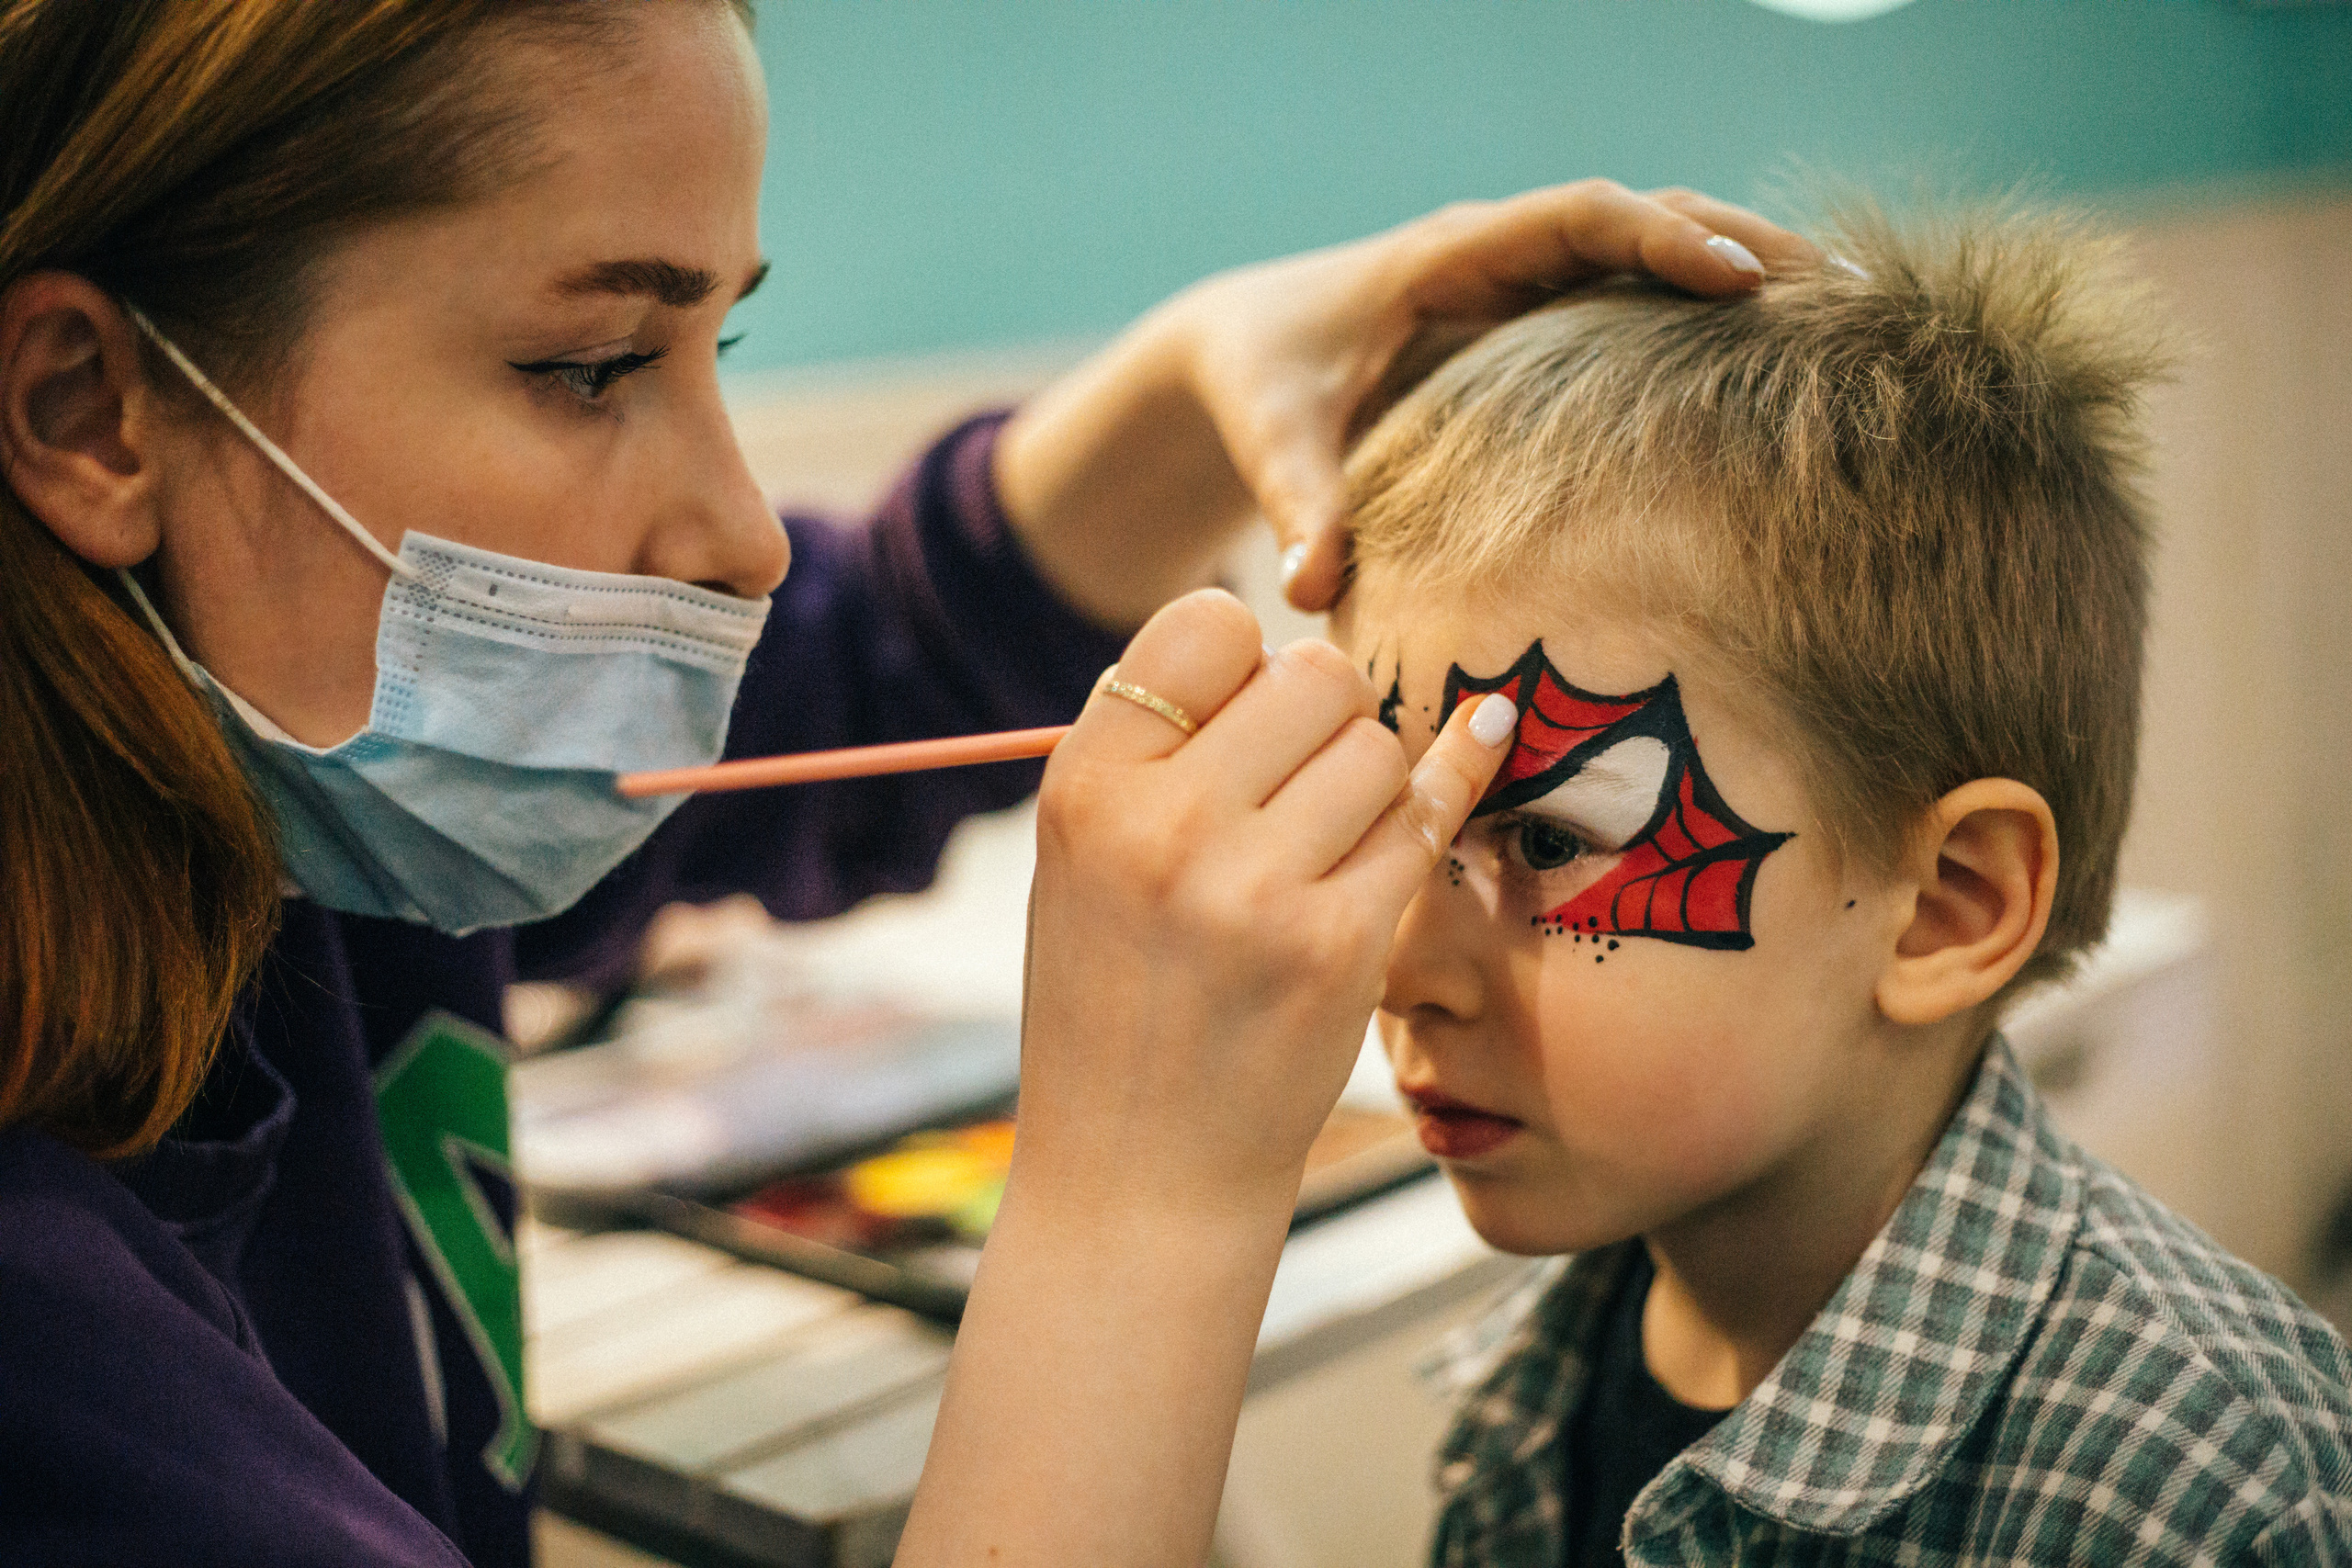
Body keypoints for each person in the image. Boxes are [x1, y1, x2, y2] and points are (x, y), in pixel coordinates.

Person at [0, 1, 1815, 1562]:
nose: (739, 534)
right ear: (92, 408)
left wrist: (1195, 372)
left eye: (725, 346)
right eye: (590, 365)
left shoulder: (286, 751)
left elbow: (841, 675)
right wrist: (1133, 1196)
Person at [1266, 199, 2349, 1563]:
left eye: (1544, 842)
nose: (1395, 967)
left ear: (1948, 903)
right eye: (1387, 823)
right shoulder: (1534, 1384)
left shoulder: (2189, 1490)